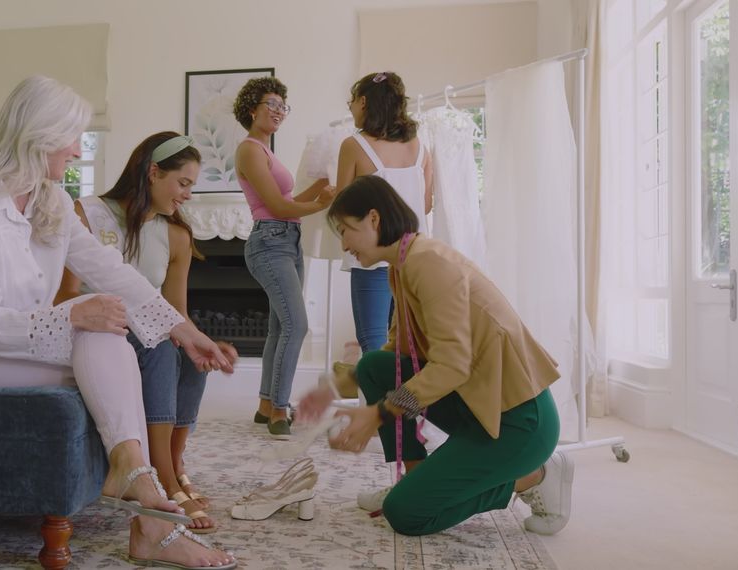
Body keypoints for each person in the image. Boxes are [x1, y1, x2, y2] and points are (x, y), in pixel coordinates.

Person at [0, 76, 236, 569]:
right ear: (38, 137)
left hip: (11, 343)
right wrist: (71, 315)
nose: (78, 151)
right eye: (72, 138)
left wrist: (186, 333)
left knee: (107, 336)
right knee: (101, 338)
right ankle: (146, 506)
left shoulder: (51, 199)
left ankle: (136, 484)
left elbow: (111, 271)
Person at [297, 175, 574, 537]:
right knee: (375, 367)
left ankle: (532, 477)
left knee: (406, 513)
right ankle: (414, 478)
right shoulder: (403, 266)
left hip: (519, 422)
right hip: (481, 407)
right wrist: (333, 385)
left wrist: (377, 413)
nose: (344, 243)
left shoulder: (428, 264)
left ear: (374, 220)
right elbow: (394, 357)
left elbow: (451, 366)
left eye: (346, 229)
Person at [56, 131, 237, 534]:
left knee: (189, 356)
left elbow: (176, 314)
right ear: (154, 172)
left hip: (141, 332)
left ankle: (175, 463)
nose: (188, 195)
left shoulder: (176, 236)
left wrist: (205, 343)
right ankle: (164, 481)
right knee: (158, 341)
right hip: (90, 331)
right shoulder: (86, 213)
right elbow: (65, 294)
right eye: (183, 183)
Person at [233, 76, 334, 438]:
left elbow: (289, 203)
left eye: (282, 106)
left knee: (280, 327)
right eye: (271, 104)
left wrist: (323, 183)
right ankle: (280, 408)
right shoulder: (248, 149)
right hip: (269, 241)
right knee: (297, 325)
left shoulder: (266, 152)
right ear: (251, 110)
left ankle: (265, 405)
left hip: (287, 239)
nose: (279, 112)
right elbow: (276, 206)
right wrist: (319, 203)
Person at [337, 71, 433, 355]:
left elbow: (342, 207)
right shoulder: (419, 147)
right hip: (412, 258)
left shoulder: (354, 145)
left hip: (372, 259)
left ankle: (379, 400)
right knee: (408, 345)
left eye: (351, 101)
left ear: (364, 102)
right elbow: (425, 206)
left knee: (374, 343)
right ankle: (405, 400)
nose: (350, 107)